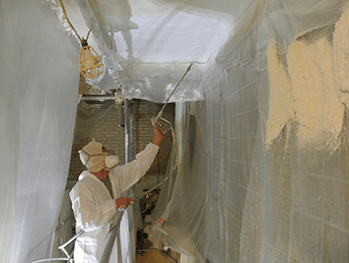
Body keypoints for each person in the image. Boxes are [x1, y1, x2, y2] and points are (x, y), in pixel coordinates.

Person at [70, 124, 164, 263]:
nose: (109, 153)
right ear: (97, 159)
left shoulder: (114, 176)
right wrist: (115, 204)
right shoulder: (82, 188)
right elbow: (87, 221)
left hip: (109, 244)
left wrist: (157, 139)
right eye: (105, 152)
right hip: (91, 253)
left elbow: (138, 166)